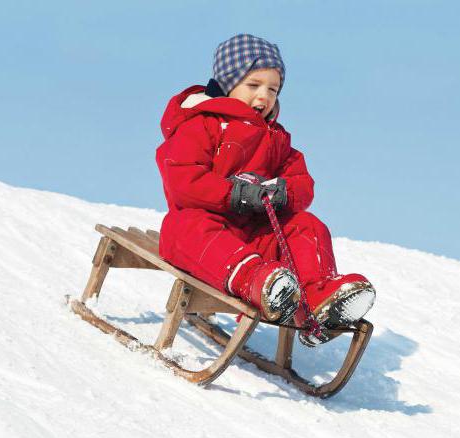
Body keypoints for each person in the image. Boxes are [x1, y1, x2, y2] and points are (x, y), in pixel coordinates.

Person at [155, 33, 375, 345]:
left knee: (307, 225)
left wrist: (285, 193)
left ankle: (317, 300)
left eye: (273, 89)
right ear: (227, 84)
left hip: (254, 235)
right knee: (190, 226)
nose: (265, 96)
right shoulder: (201, 123)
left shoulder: (275, 137)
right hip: (202, 232)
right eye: (254, 85)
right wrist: (233, 194)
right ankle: (260, 284)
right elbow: (182, 181)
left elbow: (302, 181)